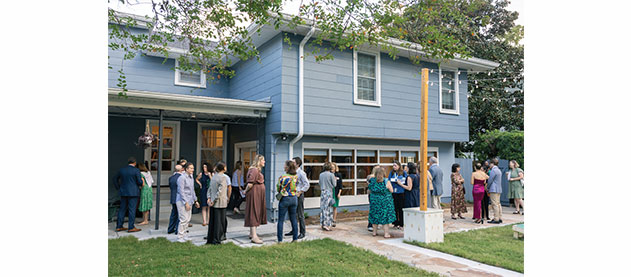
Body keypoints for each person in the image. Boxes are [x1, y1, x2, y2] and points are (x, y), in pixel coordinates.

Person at [114, 157, 144, 232]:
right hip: (133, 193)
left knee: (122, 209)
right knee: (132, 210)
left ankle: (119, 226)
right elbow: (139, 182)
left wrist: (119, 188)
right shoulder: (136, 170)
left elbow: (114, 179)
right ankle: (131, 227)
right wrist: (141, 182)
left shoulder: (122, 170)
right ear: (135, 163)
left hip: (123, 192)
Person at [244, 154, 267, 244]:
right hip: (254, 194)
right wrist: (245, 191)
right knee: (254, 211)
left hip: (257, 194)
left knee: (255, 211)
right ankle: (254, 236)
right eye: (263, 160)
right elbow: (250, 184)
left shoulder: (255, 170)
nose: (264, 162)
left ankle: (252, 234)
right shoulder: (254, 170)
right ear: (259, 161)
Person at [285, 157, 310, 239]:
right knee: (292, 214)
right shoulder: (291, 172)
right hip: (291, 195)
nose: (291, 163)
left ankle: (302, 232)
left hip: (298, 195)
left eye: (293, 162)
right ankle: (294, 230)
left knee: (300, 214)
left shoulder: (301, 173)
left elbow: (307, 184)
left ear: (297, 164)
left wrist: (300, 192)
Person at [368, 167, 396, 238]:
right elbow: (391, 190)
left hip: (374, 201)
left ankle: (374, 232)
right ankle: (386, 234)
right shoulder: (386, 181)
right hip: (384, 202)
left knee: (375, 216)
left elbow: (369, 191)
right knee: (385, 218)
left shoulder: (372, 181)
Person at [176, 162, 200, 242]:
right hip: (182, 201)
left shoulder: (191, 177)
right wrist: (185, 203)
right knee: (183, 219)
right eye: (191, 168)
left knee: (188, 219)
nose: (192, 169)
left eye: (193, 168)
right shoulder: (182, 178)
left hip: (190, 200)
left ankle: (185, 235)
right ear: (186, 169)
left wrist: (195, 200)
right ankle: (180, 236)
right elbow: (181, 191)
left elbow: (192, 190)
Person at [276, 160, 300, 242]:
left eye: (284, 165)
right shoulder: (296, 177)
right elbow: (297, 185)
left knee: (281, 220)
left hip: (285, 199)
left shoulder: (282, 177)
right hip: (294, 198)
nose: (283, 166)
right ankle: (295, 239)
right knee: (293, 219)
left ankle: (280, 240)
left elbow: (278, 188)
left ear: (287, 167)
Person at [206, 162, 229, 245]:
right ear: (223, 168)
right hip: (220, 203)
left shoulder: (214, 176)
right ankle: (217, 239)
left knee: (213, 221)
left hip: (213, 202)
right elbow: (220, 191)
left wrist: (209, 198)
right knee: (220, 222)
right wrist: (213, 200)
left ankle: (211, 238)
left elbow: (210, 189)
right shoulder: (223, 178)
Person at [388, 161, 407, 229]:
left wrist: (400, 181)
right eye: (393, 165)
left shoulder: (403, 172)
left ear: (399, 166)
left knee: (401, 208)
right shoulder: (392, 172)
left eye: (395, 165)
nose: (394, 167)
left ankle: (401, 223)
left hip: (401, 191)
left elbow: (406, 180)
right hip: (394, 192)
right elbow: (389, 180)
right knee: (395, 208)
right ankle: (395, 222)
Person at [319, 162, 337, 231]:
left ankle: (322, 223)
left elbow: (320, 183)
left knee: (323, 208)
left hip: (323, 192)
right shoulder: (331, 175)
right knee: (329, 209)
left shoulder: (321, 174)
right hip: (329, 192)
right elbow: (334, 185)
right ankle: (327, 225)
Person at [167, 164, 183, 234]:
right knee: (180, 214)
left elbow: (171, 187)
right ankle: (177, 230)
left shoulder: (171, 178)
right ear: (181, 170)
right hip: (179, 198)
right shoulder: (181, 178)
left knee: (173, 214)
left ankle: (170, 229)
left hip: (173, 197)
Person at [366, 165, 381, 232]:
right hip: (372, 194)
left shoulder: (380, 177)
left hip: (377, 195)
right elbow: (369, 186)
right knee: (373, 209)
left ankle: (376, 224)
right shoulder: (370, 177)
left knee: (377, 209)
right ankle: (370, 224)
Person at [488, 159, 503, 224]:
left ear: (492, 163)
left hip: (493, 189)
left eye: (490, 164)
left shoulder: (493, 171)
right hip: (499, 189)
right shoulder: (499, 170)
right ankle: (500, 217)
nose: (489, 165)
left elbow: (490, 180)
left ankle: (496, 218)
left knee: (494, 204)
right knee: (498, 204)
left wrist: (487, 187)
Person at [332, 162, 343, 227]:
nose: (332, 169)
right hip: (330, 192)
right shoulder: (329, 174)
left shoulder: (338, 174)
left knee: (335, 207)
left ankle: (334, 220)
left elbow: (340, 185)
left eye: (333, 167)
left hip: (336, 192)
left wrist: (339, 193)